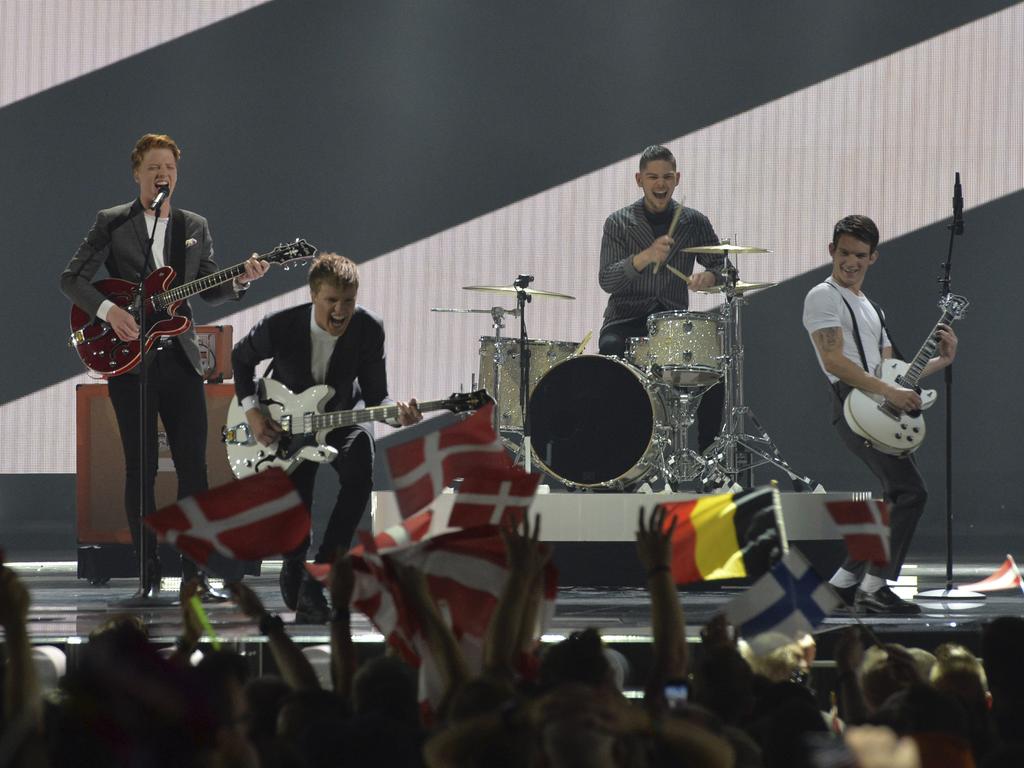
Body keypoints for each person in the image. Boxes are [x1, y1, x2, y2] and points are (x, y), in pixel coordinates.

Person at [60, 133, 268, 598]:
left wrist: (241, 280)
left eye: (170, 168)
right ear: (137, 173)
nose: (163, 175)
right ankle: (147, 569)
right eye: (154, 167)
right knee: (141, 468)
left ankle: (195, 572)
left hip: (181, 361)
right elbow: (72, 278)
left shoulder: (194, 225)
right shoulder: (113, 222)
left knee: (195, 468)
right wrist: (109, 312)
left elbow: (207, 288)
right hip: (130, 362)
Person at [231, 252, 422, 623]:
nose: (340, 310)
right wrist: (253, 411)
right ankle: (295, 563)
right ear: (313, 295)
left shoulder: (369, 328)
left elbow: (376, 393)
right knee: (297, 502)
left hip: (342, 415)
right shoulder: (281, 326)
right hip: (288, 421)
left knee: (360, 471)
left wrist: (398, 416)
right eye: (331, 301)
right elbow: (240, 359)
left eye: (347, 301)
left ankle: (321, 573)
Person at [802, 215, 957, 615]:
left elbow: (896, 371)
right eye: (843, 253)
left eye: (859, 255)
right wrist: (889, 391)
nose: (850, 262)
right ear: (831, 251)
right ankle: (875, 587)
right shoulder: (824, 297)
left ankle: (842, 585)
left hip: (878, 402)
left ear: (873, 258)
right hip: (855, 404)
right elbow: (834, 361)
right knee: (911, 492)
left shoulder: (872, 308)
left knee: (894, 497)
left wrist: (941, 360)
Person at [598, 144, 726, 456]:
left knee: (714, 371)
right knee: (610, 350)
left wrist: (709, 277)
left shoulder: (694, 222)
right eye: (653, 177)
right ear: (638, 180)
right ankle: (619, 453)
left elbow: (724, 267)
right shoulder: (618, 222)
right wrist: (644, 257)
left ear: (677, 179)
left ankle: (707, 459)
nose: (661, 184)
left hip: (672, 324)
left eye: (667, 177)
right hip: (626, 320)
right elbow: (607, 280)